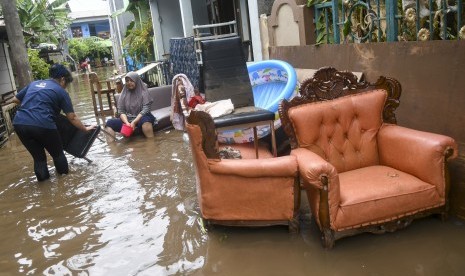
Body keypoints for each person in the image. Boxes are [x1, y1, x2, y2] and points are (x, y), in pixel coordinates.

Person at [12, 64, 95, 181]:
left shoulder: (34, 84)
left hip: (19, 123)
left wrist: (32, 108)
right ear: (62, 79)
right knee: (58, 154)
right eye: (66, 84)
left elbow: (15, 99)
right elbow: (72, 117)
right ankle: (65, 184)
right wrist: (85, 129)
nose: (65, 87)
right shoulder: (61, 92)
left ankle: (44, 189)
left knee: (39, 159)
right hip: (43, 124)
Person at [105, 72, 155, 142]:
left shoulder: (144, 92)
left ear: (136, 81)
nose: (129, 83)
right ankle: (112, 148)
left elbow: (145, 109)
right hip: (128, 118)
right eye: (127, 81)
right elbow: (121, 111)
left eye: (131, 80)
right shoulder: (124, 93)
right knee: (109, 123)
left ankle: (151, 143)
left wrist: (134, 122)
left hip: (142, 117)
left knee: (146, 121)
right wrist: (127, 123)